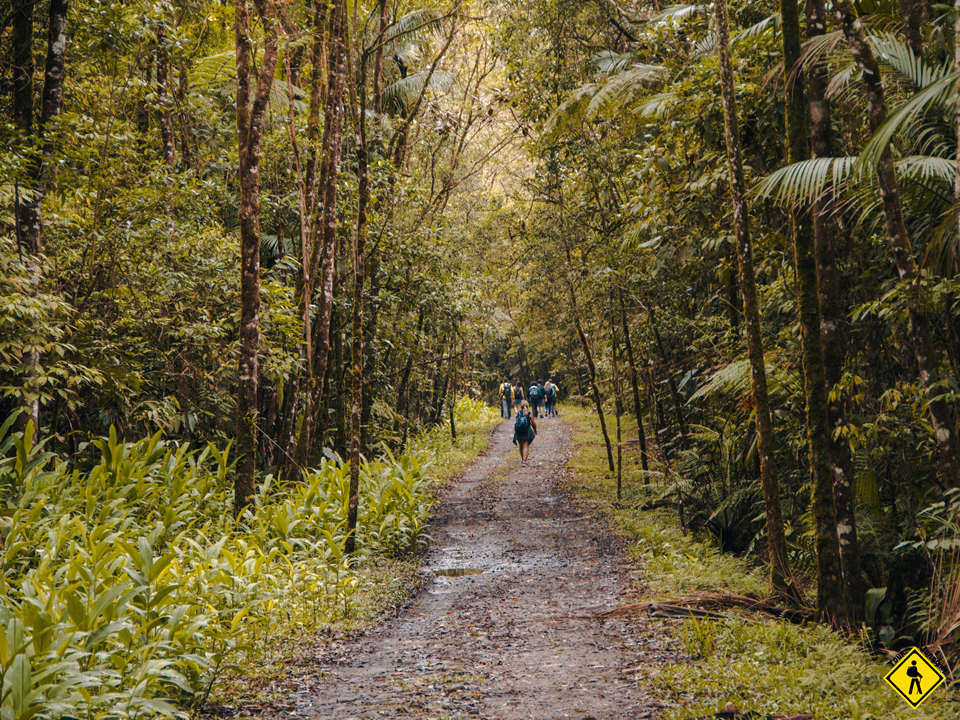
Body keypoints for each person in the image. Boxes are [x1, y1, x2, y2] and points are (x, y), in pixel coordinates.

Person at [513, 400, 537, 465]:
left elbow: (517, 422)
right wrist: (535, 430)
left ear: (521, 406)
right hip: (526, 431)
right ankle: (524, 461)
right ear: (528, 406)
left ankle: (522, 459)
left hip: (519, 431)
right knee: (525, 446)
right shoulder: (529, 413)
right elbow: (533, 423)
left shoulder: (518, 413)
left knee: (521, 446)